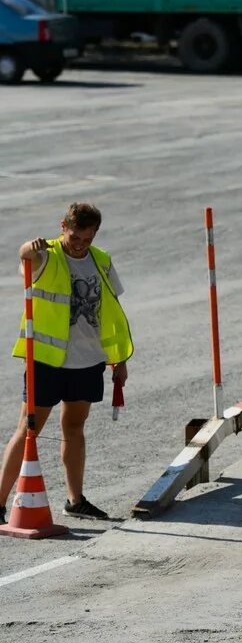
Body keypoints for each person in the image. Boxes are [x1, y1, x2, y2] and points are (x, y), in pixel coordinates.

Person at [0, 203, 132, 523]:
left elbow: (110, 314)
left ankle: (75, 500)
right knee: (28, 431)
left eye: (87, 239)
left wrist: (118, 360)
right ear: (63, 227)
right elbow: (24, 259)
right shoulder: (47, 255)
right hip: (47, 361)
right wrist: (26, 247)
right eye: (75, 237)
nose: (79, 244)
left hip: (87, 361)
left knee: (74, 428)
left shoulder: (101, 261)